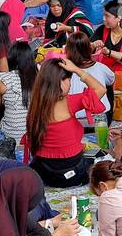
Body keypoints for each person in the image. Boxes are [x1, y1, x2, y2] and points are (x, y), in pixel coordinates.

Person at [24, 56, 105, 188]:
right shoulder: (69, 102)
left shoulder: (35, 106)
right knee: (101, 155)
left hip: (44, 172)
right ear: (60, 81)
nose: (70, 83)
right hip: (73, 171)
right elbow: (101, 89)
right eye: (68, 79)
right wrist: (77, 70)